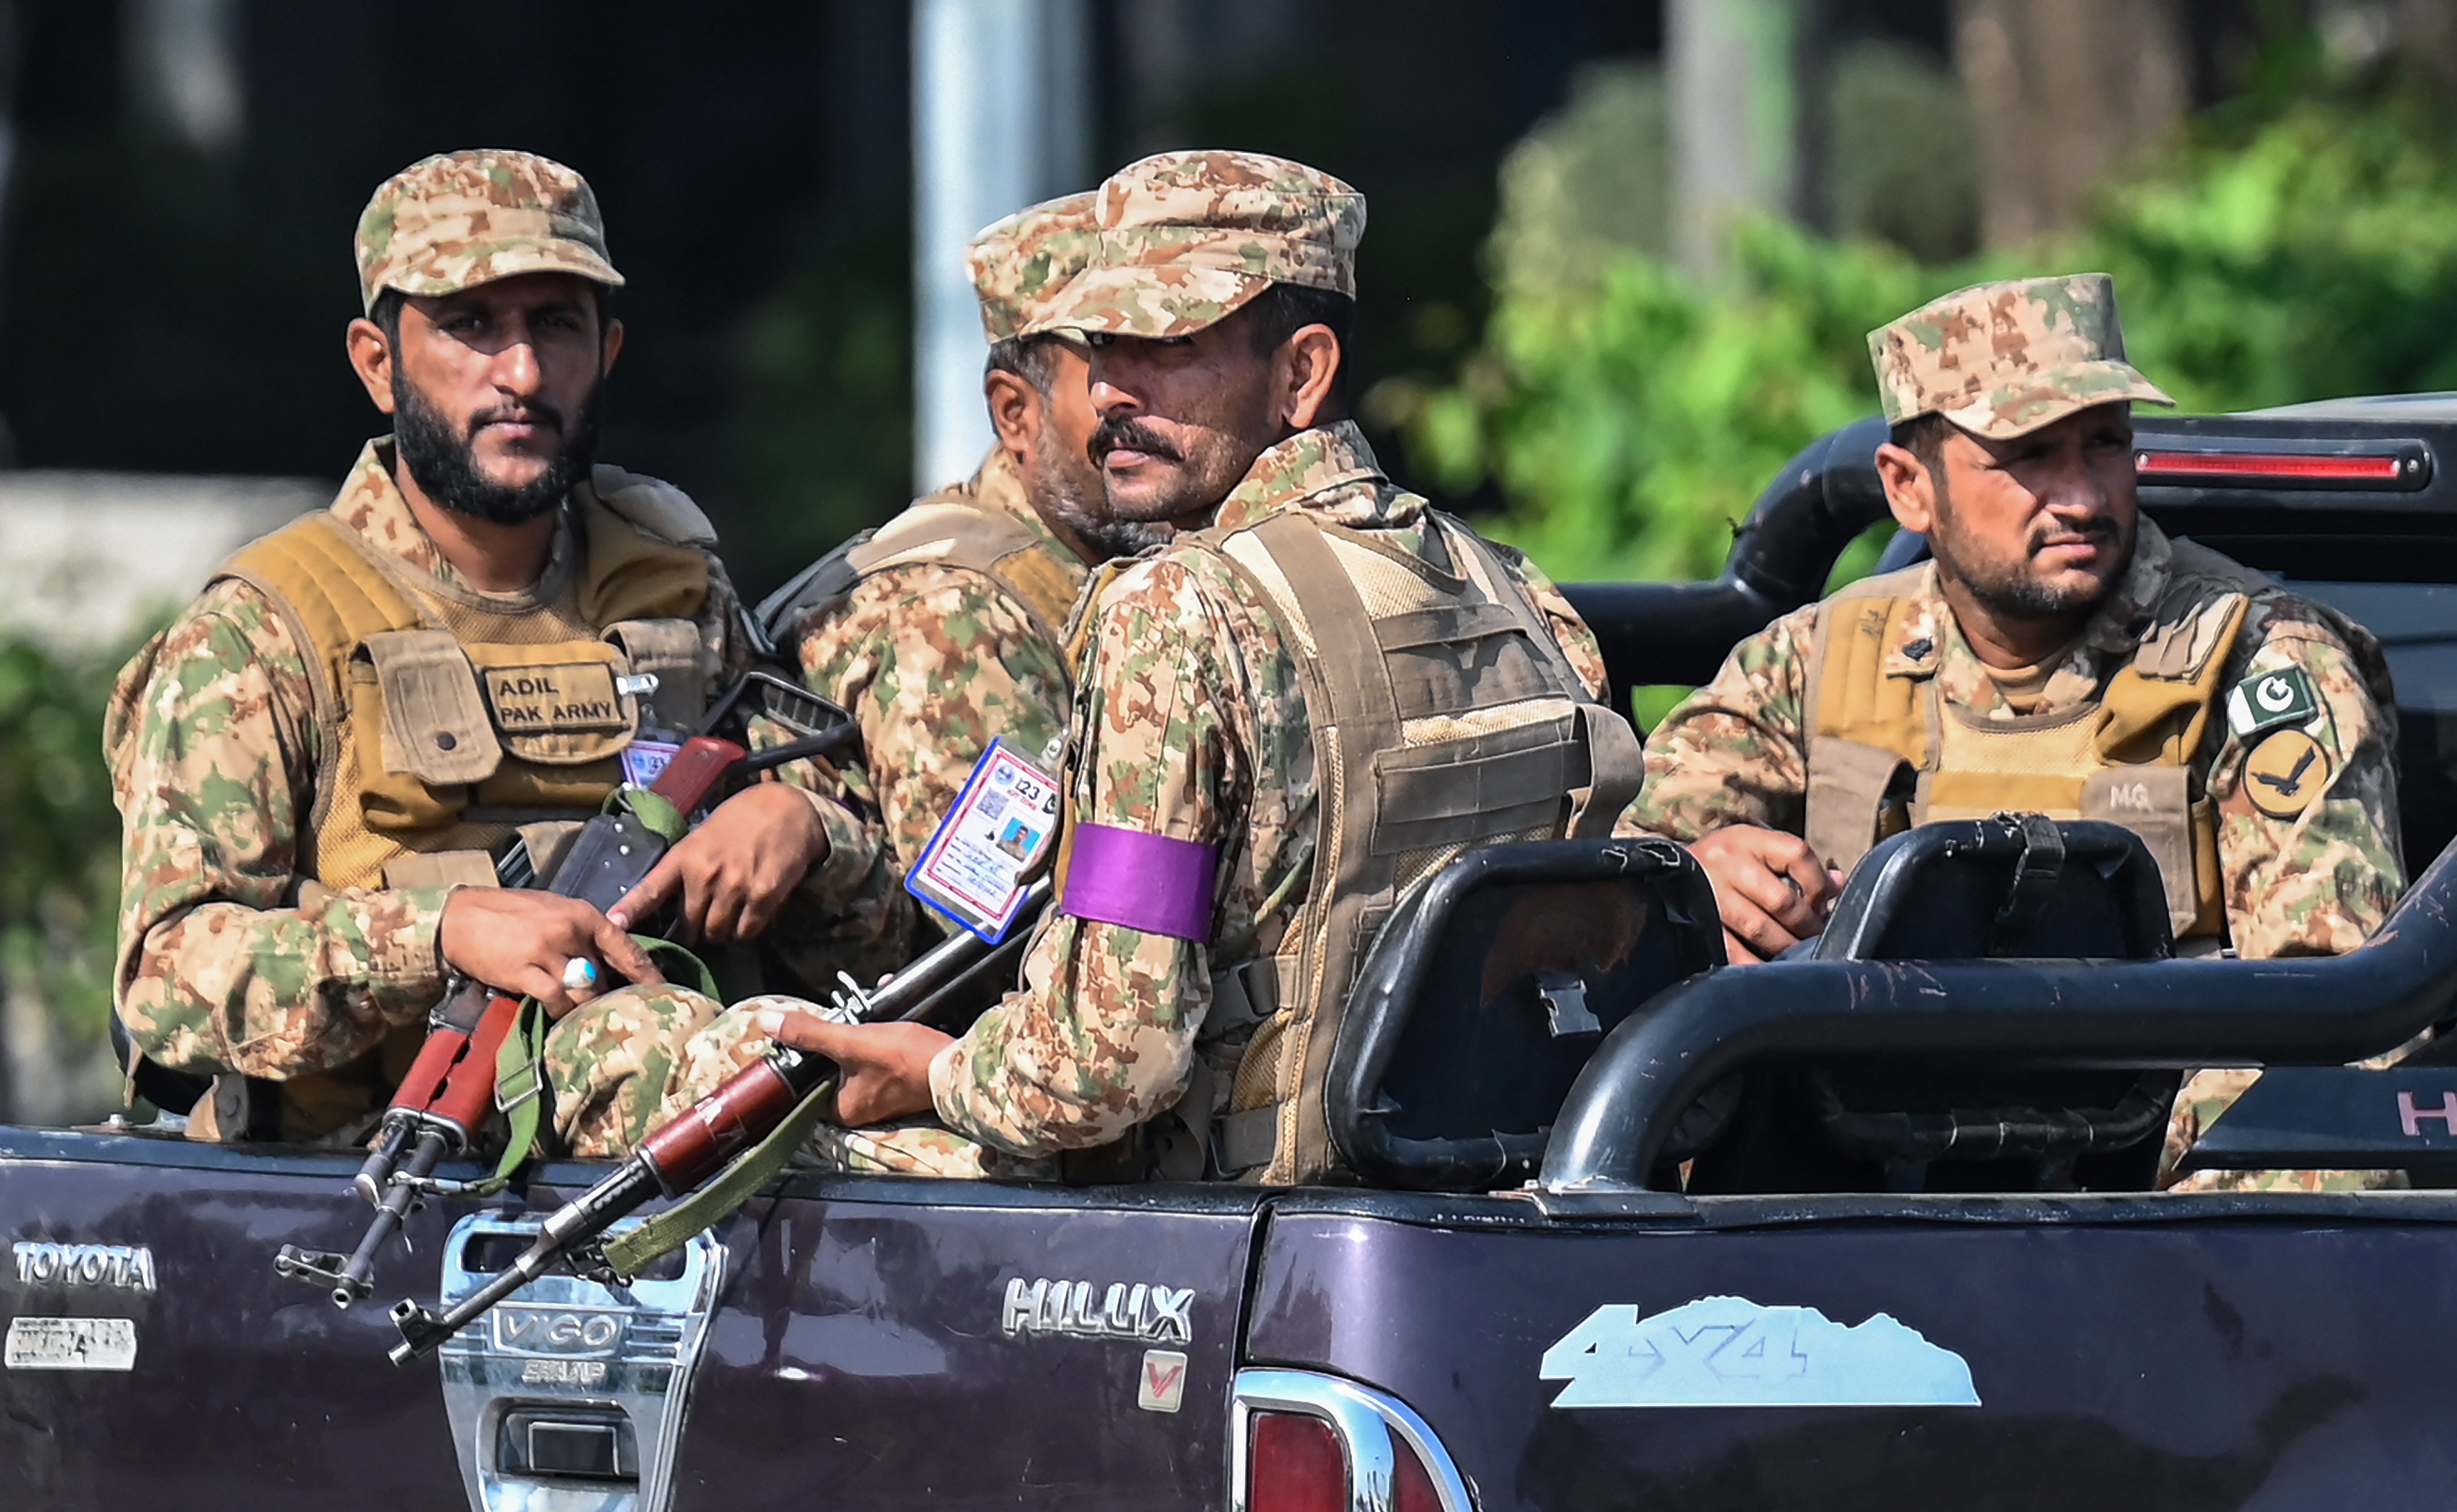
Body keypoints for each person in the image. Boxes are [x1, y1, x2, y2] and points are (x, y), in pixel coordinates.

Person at [606, 149, 1644, 1184]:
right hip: (1473, 1198)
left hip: (1218, 1226)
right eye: (1102, 345)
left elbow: (1105, 1064)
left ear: (1302, 372)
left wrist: (937, 1072)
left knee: (649, 1069)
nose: (1109, 391)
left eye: (1167, 345)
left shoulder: (1175, 610)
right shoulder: (1508, 586)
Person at [107, 149, 845, 1146]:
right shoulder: (261, 635)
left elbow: (866, 910)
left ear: (608, 352)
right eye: (471, 327)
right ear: (379, 362)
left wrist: (802, 825)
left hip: (682, 1142)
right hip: (376, 1185)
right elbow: (167, 981)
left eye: (556, 325)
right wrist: (443, 931)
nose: (525, 374)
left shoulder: (675, 591)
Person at [1623, 273, 2406, 1188]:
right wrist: (1696, 882)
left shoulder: (2263, 664)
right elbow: (1605, 907)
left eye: (2105, 444)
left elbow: (2327, 1037)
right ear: (1909, 489)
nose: (2081, 495)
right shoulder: (1815, 661)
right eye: (2029, 456)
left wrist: (2186, 1283)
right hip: (1841, 1229)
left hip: (2147, 1235)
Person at [674, 192, 1167, 981]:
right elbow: (1007, 952)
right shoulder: (954, 619)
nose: (1147, 405)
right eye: (1108, 369)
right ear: (1015, 414)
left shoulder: (1086, 568)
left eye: (1173, 360)